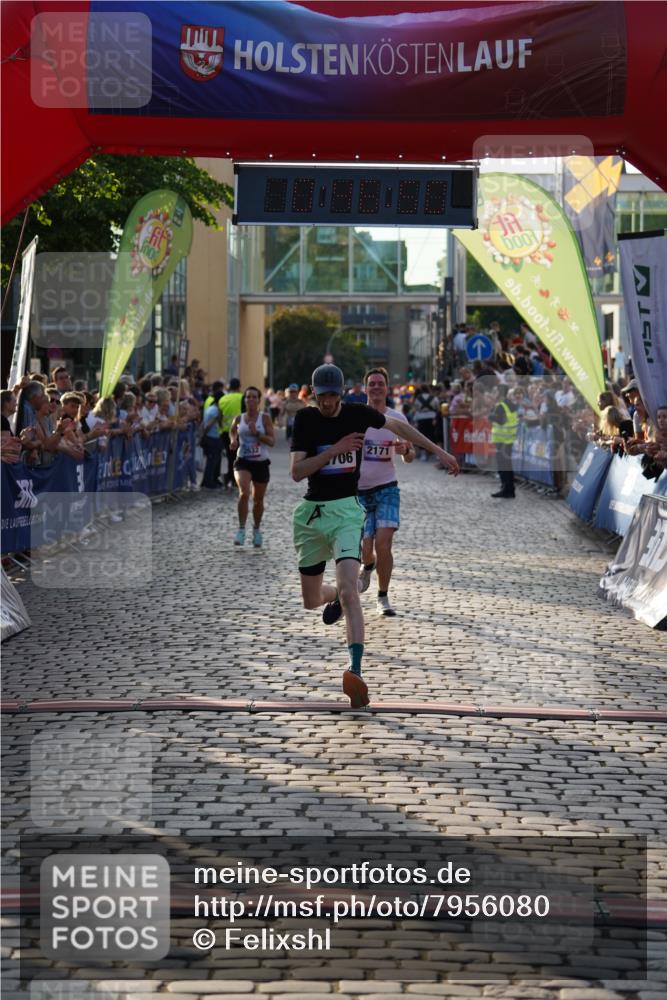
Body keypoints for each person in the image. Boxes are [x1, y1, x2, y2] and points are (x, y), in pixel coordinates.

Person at [290, 363, 459, 708]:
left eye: (332, 396)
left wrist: (439, 451)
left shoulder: (356, 414)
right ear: (315, 395)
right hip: (313, 514)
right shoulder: (306, 420)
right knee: (311, 599)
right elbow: (296, 472)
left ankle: (356, 671)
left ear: (341, 393)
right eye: (321, 397)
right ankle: (335, 590)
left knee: (354, 589)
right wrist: (334, 450)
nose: (327, 402)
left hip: (348, 511)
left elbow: (400, 427)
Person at [357, 368, 416, 617]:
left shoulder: (396, 418)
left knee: (384, 544)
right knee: (365, 546)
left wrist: (405, 450)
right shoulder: (357, 417)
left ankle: (383, 596)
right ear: (366, 388)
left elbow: (410, 456)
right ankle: (367, 564)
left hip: (387, 488)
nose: (377, 387)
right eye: (372, 384)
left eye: (381, 383)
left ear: (387, 388)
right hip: (359, 492)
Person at [230, 386, 275, 547]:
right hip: (243, 461)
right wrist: (233, 440)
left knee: (258, 500)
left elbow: (272, 441)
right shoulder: (239, 418)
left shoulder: (265, 419)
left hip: (261, 463)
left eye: (254, 397)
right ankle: (241, 530)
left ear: (259, 400)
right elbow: (233, 431)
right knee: (244, 493)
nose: (250, 400)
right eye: (248, 397)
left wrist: (257, 433)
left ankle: (256, 529)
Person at [489, 385, 521, 498]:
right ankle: (509, 489)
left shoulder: (501, 406)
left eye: (495, 391)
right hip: (509, 439)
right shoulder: (510, 404)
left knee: (503, 465)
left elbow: (500, 420)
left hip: (502, 440)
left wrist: (490, 416)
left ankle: (506, 489)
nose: (494, 394)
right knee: (507, 465)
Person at [220, 377, 243, 488]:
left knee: (230, 457)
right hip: (240, 431)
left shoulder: (223, 399)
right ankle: (234, 478)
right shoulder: (243, 398)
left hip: (225, 432)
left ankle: (230, 477)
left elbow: (220, 416)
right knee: (239, 456)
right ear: (239, 387)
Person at [200, 381, 224, 489]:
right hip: (213, 437)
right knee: (212, 460)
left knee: (212, 460)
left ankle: (209, 480)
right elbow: (210, 425)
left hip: (211, 437)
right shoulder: (215, 411)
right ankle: (208, 481)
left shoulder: (210, 408)